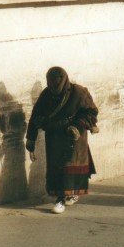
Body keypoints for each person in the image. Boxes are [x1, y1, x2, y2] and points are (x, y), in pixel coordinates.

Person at [25, 67, 98, 213]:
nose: (54, 87)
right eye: (51, 83)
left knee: (69, 166)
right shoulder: (46, 95)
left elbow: (91, 112)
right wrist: (31, 142)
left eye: (57, 83)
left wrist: (78, 126)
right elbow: (35, 116)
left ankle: (62, 199)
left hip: (74, 138)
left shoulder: (79, 93)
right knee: (57, 168)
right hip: (54, 138)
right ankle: (64, 195)